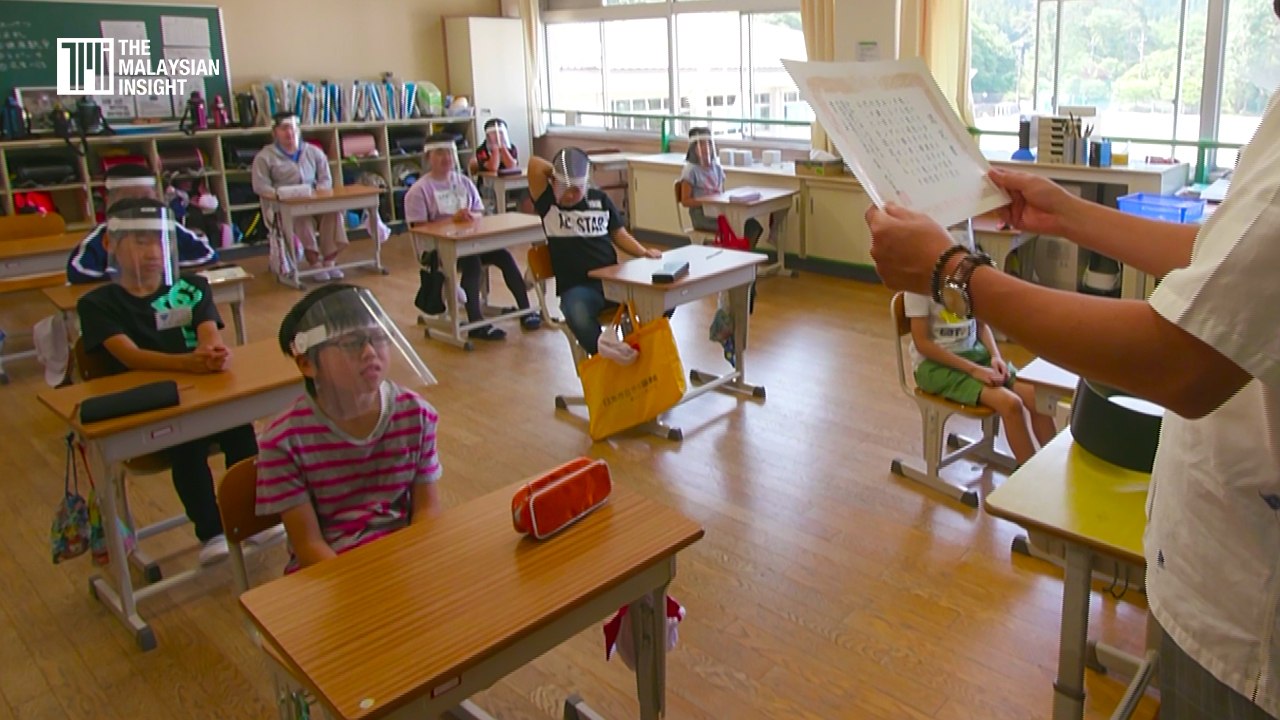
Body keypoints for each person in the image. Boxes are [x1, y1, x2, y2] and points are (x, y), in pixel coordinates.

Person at [866, 39, 1280, 711]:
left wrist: (956, 274)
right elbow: (1224, 253)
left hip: (1248, 619)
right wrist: (1068, 214)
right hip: (1212, 566)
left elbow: (1179, 361)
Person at [76, 198, 272, 565]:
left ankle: (254, 515)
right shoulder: (98, 304)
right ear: (110, 245)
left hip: (202, 391)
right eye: (139, 242)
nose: (152, 252)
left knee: (241, 432)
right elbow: (129, 356)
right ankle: (211, 530)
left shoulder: (191, 286)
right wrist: (188, 364)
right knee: (187, 444)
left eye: (159, 242)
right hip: (151, 407)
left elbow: (208, 330)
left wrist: (211, 351)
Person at [255, 283, 442, 573]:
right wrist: (363, 588)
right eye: (352, 342)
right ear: (307, 363)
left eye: (378, 338)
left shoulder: (415, 414)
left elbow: (426, 510)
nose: (370, 352)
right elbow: (309, 546)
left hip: (406, 562)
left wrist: (416, 564)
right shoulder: (283, 442)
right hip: (330, 576)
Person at [903, 226, 1055, 465]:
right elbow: (922, 344)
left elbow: (981, 326)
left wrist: (995, 356)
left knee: (1037, 398)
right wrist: (973, 370)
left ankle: (1052, 470)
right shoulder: (918, 286)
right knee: (1011, 404)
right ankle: (1030, 479)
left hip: (975, 356)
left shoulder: (966, 279)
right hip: (935, 368)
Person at [403, 134, 540, 340]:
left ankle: (525, 310)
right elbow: (419, 228)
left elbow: (479, 212)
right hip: (438, 251)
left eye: (449, 153)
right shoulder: (419, 190)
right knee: (472, 263)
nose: (446, 158)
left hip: (472, 242)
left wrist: (470, 217)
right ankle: (476, 323)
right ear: (428, 157)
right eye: (440, 153)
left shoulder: (463, 182)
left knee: (503, 255)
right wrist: (452, 221)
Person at [528, 146, 662, 355]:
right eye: (565, 188)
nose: (570, 194)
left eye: (577, 188)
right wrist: (561, 173)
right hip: (577, 286)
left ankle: (641, 350)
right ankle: (606, 355)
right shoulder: (549, 205)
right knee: (577, 313)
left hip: (612, 282)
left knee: (661, 297)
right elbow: (534, 165)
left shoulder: (599, 200)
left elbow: (619, 234)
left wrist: (643, 252)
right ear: (554, 183)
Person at [67, 163, 218, 284]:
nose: (138, 206)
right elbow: (77, 270)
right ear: (109, 201)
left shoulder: (169, 228)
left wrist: (161, 270)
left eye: (146, 197)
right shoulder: (103, 235)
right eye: (129, 199)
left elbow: (208, 254)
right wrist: (127, 275)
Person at [251, 111, 348, 281]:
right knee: (301, 218)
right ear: (275, 132)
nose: (290, 133)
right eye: (284, 128)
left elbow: (325, 179)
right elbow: (260, 186)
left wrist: (319, 192)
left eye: (294, 128)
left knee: (334, 211)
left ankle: (329, 262)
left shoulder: (313, 152)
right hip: (283, 207)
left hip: (314, 201)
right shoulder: (265, 157)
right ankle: (314, 263)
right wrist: (280, 195)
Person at [678, 127, 763, 245]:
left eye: (708, 143)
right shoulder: (690, 171)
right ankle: (735, 254)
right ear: (693, 148)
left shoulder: (716, 168)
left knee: (752, 225)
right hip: (702, 215)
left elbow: (721, 193)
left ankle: (743, 255)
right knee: (736, 226)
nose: (705, 148)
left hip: (719, 212)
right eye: (701, 144)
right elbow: (685, 201)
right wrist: (706, 202)